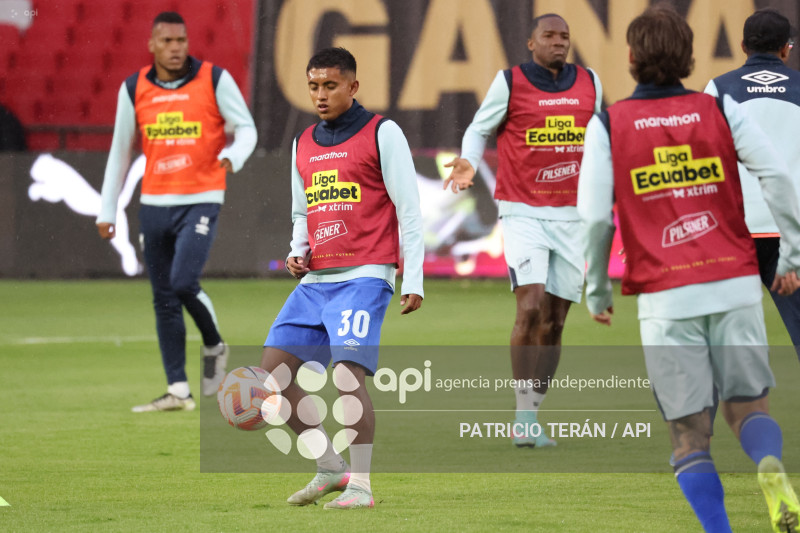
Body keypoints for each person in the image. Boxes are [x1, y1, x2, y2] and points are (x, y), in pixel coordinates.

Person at [577, 5, 800, 532]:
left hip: (668, 294)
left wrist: (597, 287)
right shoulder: (718, 107)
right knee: (750, 408)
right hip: (735, 280)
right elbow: (777, 178)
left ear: (629, 59)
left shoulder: (610, 123)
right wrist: (791, 252)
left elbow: (592, 218)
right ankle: (770, 467)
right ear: (691, 56)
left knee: (689, 435)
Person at [260, 47, 424, 510]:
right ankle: (330, 467)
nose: (320, 94)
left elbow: (408, 208)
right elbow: (302, 210)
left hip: (365, 275)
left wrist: (414, 278)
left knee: (348, 378)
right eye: (313, 86)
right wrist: (298, 252)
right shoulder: (303, 142)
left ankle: (363, 486)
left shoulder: (382, 133)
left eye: (330, 85)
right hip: (316, 281)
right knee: (271, 375)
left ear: (353, 86)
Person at [443, 13, 602, 447]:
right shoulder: (510, 82)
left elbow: (603, 138)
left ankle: (533, 411)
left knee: (554, 324)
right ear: (531, 42)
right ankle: (521, 415)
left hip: (573, 217)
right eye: (549, 36)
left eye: (564, 36)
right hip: (522, 212)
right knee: (530, 308)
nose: (558, 43)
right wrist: (468, 161)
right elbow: (479, 128)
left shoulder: (590, 82)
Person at [96, 12, 257, 412]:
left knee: (183, 282)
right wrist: (107, 208)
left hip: (201, 195)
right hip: (153, 203)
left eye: (181, 40)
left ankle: (215, 344)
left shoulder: (214, 79)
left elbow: (247, 127)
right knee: (163, 298)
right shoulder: (133, 87)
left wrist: (233, 154)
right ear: (151, 44)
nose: (175, 48)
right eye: (167, 41)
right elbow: (120, 150)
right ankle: (178, 391)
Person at [705, 8, 800, 361]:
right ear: (786, 48)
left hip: (734, 234)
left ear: (743, 46)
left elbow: (705, 162)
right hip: (790, 235)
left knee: (723, 344)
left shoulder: (718, 88)